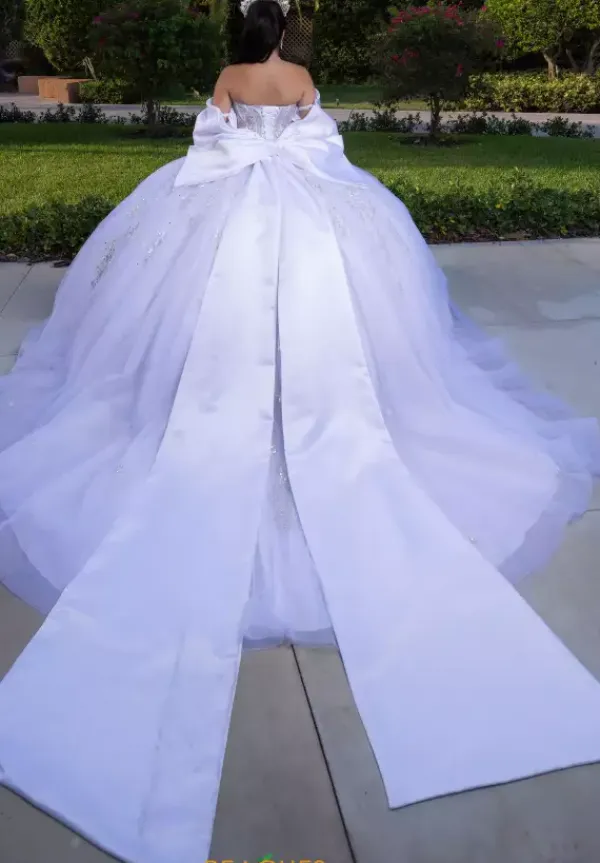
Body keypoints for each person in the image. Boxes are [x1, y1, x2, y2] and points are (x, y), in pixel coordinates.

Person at [0, 1, 600, 861]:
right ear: (282, 33)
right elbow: (323, 136)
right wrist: (290, 149)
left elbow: (211, 138)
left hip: (226, 208)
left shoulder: (232, 77)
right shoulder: (302, 77)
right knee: (339, 320)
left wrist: (245, 144)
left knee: (195, 320)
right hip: (309, 211)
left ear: (243, 36)